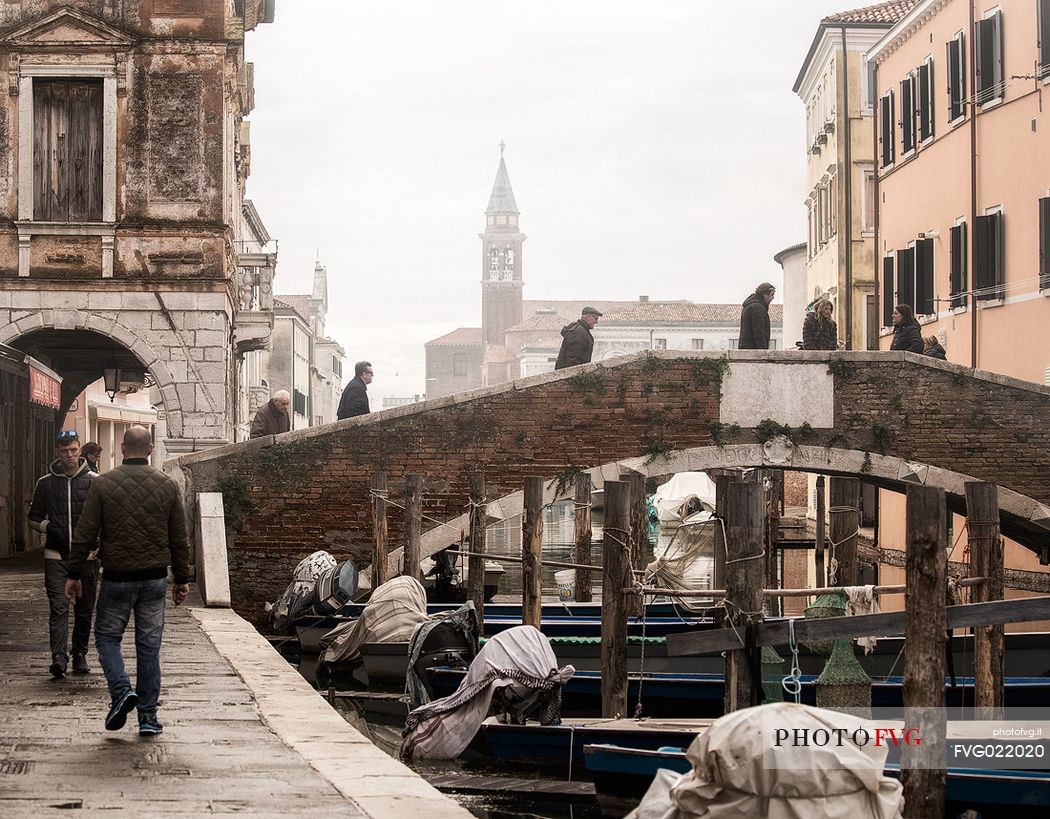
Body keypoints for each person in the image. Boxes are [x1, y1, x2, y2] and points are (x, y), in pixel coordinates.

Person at [64, 426, 190, 736]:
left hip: (117, 578)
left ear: (122, 448)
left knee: (107, 637)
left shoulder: (104, 484)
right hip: (154, 579)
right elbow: (179, 538)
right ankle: (148, 717)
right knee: (149, 647)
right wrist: (182, 579)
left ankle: (121, 691)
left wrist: (73, 573)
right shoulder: (167, 485)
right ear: (150, 449)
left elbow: (85, 533)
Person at [27, 430, 99, 679]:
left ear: (79, 450)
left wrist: (99, 543)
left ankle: (79, 653)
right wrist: (50, 527)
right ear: (58, 452)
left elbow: (105, 517)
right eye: (64, 450)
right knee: (58, 607)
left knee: (84, 608)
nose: (69, 455)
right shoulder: (45, 483)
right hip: (55, 556)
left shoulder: (94, 482)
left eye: (73, 450)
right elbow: (33, 518)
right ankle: (58, 657)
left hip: (87, 557)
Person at [739, 283, 776, 349]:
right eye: (772, 295)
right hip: (754, 352)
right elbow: (759, 332)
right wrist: (763, 352)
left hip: (747, 350)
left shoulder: (750, 305)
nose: (773, 298)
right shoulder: (757, 308)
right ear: (765, 295)